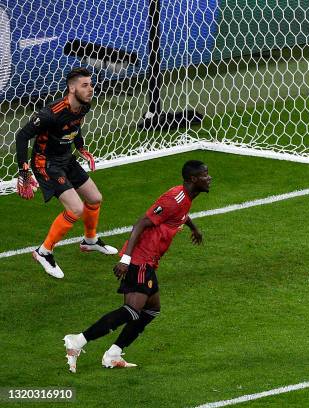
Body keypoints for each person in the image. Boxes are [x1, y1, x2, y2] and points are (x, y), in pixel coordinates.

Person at [62, 160, 211, 372]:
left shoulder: (185, 198)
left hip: (149, 260)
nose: (209, 178)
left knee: (151, 309)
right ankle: (77, 341)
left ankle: (113, 354)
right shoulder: (175, 198)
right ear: (193, 179)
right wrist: (126, 259)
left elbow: (180, 215)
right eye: (205, 175)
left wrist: (193, 228)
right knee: (132, 311)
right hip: (141, 259)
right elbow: (141, 223)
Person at [15, 67, 117, 279]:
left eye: (91, 84)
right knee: (76, 208)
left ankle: (89, 241)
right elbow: (21, 136)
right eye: (85, 85)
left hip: (66, 157)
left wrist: (80, 147)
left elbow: (75, 127)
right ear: (72, 88)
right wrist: (23, 169)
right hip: (46, 163)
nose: (91, 89)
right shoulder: (50, 113)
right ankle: (44, 252)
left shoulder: (84, 106)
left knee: (95, 198)